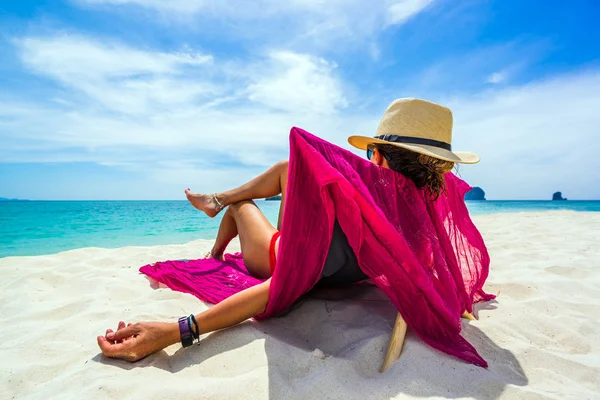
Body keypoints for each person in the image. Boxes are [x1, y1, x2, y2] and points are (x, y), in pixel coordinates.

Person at [97, 98, 480, 362]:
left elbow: (277, 288)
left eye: (369, 155)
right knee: (283, 174)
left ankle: (216, 231)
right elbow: (427, 271)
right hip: (328, 266)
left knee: (243, 205)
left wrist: (176, 330)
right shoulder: (422, 218)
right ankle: (216, 215)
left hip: (282, 261)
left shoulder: (360, 217)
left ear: (377, 157)